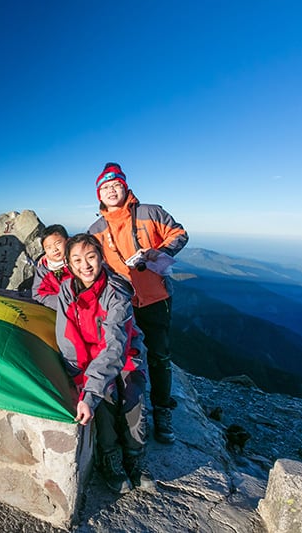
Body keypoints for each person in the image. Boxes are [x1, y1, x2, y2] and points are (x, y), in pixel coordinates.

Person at [88, 162, 188, 444]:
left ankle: (162, 410)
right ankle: (130, 415)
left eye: (115, 185)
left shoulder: (150, 212)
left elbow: (180, 233)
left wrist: (159, 252)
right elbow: (91, 264)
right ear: (99, 194)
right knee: (124, 356)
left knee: (159, 355)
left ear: (125, 186)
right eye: (105, 187)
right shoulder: (96, 228)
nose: (111, 190)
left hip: (156, 296)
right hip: (120, 301)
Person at [55, 233, 150, 493]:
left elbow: (116, 347)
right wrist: (81, 379)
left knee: (133, 399)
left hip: (125, 356)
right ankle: (109, 457)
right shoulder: (67, 290)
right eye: (77, 260)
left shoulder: (116, 292)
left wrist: (92, 385)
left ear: (100, 258)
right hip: (91, 360)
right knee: (105, 400)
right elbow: (68, 337)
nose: (85, 265)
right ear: (69, 265)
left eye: (91, 257)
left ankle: (134, 457)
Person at [31, 224, 73, 311]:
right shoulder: (44, 270)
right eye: (48, 247)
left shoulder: (78, 262)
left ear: (68, 241)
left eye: (58, 243)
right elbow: (38, 294)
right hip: (59, 311)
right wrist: (63, 303)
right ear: (44, 251)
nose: (54, 249)